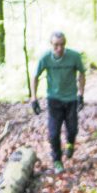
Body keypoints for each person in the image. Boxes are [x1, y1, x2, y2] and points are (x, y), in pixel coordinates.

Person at [30, 31, 86, 174]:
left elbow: (82, 73)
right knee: (54, 133)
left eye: (61, 45)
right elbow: (35, 76)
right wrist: (34, 98)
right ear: (51, 45)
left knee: (72, 129)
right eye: (56, 45)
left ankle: (70, 144)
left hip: (71, 99)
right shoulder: (45, 58)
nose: (59, 48)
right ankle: (57, 160)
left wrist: (81, 94)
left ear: (65, 44)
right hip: (54, 100)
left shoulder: (74, 56)